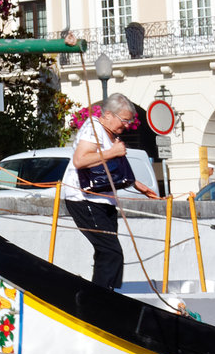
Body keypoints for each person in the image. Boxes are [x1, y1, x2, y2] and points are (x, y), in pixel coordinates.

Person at [64, 93, 161, 290]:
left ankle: (104, 292)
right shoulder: (93, 129)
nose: (126, 125)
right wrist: (112, 152)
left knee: (105, 252)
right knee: (111, 251)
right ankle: (102, 299)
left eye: (129, 121)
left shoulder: (111, 135)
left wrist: (139, 186)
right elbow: (80, 160)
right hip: (84, 198)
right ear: (108, 114)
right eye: (124, 120)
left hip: (104, 200)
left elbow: (115, 169)